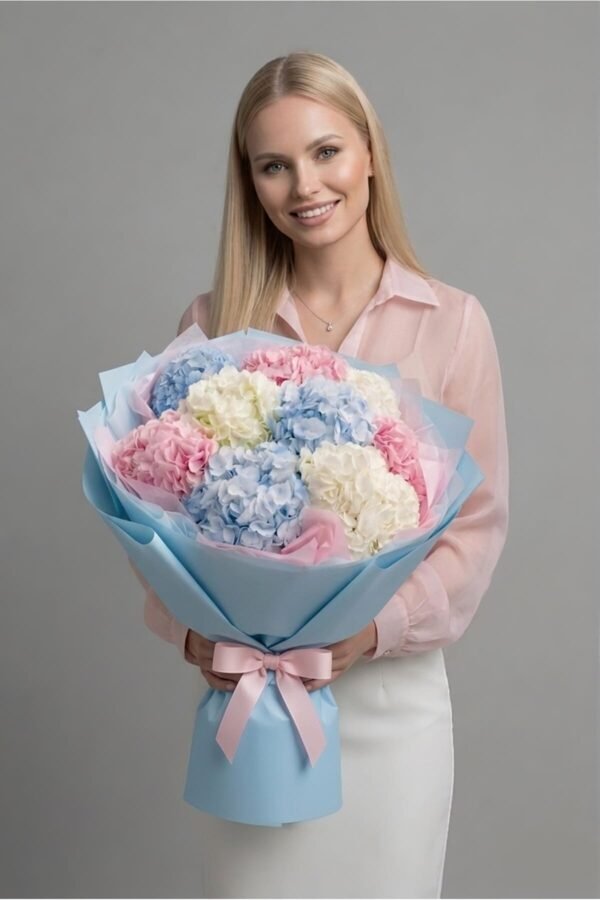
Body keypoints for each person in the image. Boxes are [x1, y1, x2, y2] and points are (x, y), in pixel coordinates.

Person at [131, 51, 509, 899]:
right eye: (274, 165)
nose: (305, 185)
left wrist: (369, 634)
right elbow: (156, 516)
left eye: (327, 151)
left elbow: (476, 531)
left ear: (370, 152)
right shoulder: (211, 324)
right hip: (253, 710)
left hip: (392, 704)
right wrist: (197, 639)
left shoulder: (454, 324)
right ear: (251, 183)